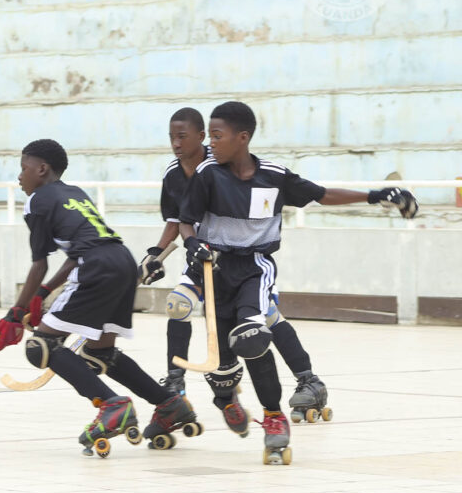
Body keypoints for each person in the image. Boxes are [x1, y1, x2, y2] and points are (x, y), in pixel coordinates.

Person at [178, 101, 418, 464]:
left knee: (252, 338)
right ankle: (225, 398)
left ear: (242, 138)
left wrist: (376, 196)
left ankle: (273, 417)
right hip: (216, 273)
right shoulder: (207, 174)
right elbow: (186, 221)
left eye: (217, 135)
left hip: (254, 268)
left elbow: (321, 195)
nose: (210, 143)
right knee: (224, 370)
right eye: (209, 136)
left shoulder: (274, 177)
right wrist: (193, 244)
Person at [0, 138, 200, 454]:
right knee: (100, 353)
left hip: (96, 267)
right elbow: (73, 254)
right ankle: (169, 404)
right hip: (123, 262)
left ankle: (112, 405)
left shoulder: (36, 201)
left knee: (41, 346)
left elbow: (39, 264)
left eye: (24, 168)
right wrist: (44, 292)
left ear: (42, 169)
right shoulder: (75, 193)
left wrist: (15, 313)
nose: (20, 176)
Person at [139, 107, 335, 431]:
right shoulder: (174, 174)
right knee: (178, 306)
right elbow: (178, 221)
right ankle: (178, 384)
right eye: (171, 137)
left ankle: (307, 380)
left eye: (182, 137)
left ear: (202, 137)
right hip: (203, 259)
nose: (175, 144)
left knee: (262, 321)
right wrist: (156, 254)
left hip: (244, 260)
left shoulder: (223, 163)